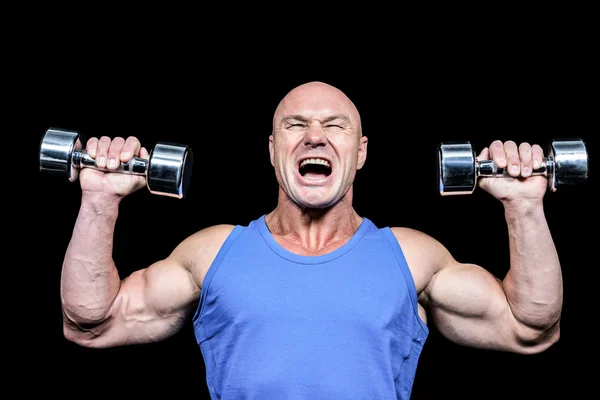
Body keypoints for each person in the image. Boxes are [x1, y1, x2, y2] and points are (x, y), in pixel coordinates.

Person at [60, 81, 562, 399]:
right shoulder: (214, 252)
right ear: (274, 149)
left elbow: (530, 326)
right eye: (295, 125)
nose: (315, 137)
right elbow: (91, 321)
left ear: (360, 152)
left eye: (335, 126)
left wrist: (524, 206)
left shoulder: (411, 257)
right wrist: (100, 200)